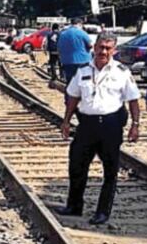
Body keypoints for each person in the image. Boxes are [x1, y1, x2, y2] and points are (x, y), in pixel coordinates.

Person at [59, 33, 141, 225]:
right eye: (100, 47)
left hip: (111, 125)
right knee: (77, 165)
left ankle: (103, 211)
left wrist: (135, 125)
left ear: (114, 50)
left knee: (110, 171)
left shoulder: (122, 72)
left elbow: (133, 100)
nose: (103, 51)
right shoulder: (82, 71)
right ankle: (74, 206)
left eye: (108, 48)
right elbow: (73, 97)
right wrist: (66, 121)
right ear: (94, 48)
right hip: (87, 125)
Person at [57, 17, 92, 83]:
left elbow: (59, 47)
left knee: (70, 82)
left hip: (67, 61)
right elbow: (90, 45)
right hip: (82, 60)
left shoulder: (63, 34)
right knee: (82, 82)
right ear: (79, 24)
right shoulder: (82, 33)